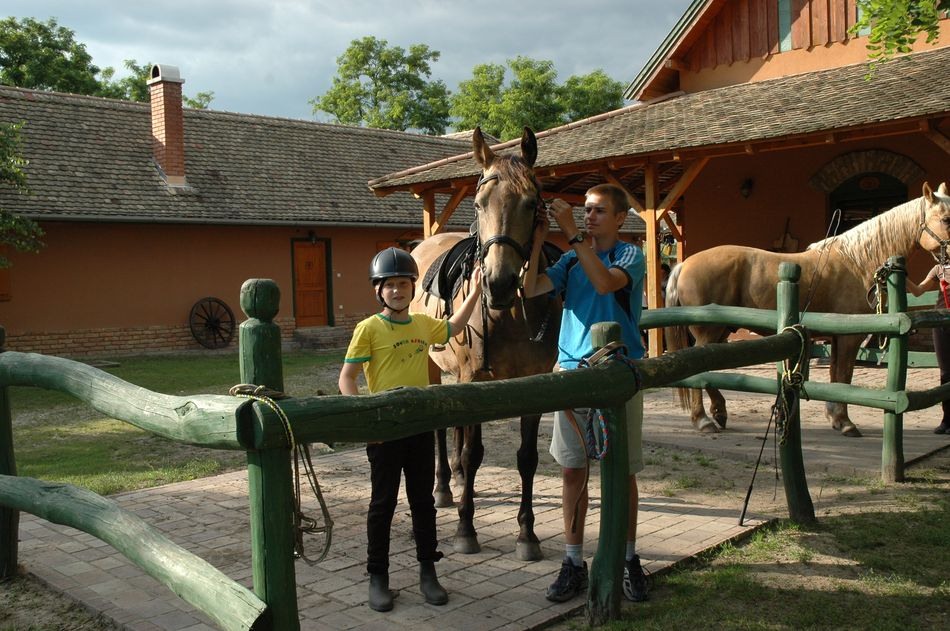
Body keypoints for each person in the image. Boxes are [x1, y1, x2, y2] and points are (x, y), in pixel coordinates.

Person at [523, 183, 649, 603]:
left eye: (599, 211)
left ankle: (628, 559)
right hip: (572, 375)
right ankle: (573, 561)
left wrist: (572, 236)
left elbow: (605, 284)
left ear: (620, 218)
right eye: (587, 210)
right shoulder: (571, 260)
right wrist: (539, 240)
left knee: (622, 473)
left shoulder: (630, 255)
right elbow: (531, 288)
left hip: (619, 375)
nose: (589, 216)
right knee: (572, 472)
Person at [338, 247, 483, 611]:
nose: (397, 291)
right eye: (390, 285)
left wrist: (476, 291)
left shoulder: (421, 324)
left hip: (419, 429)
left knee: (423, 503)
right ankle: (378, 577)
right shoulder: (368, 329)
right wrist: (365, 420)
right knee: (382, 505)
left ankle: (428, 572)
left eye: (404, 284)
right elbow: (347, 378)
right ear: (378, 290)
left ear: (413, 288)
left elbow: (454, 327)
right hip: (385, 432)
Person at [907, 261, 950, 434]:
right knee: (945, 373)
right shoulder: (939, 269)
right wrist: (903, 277)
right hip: (940, 323)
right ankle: (947, 419)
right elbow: (918, 291)